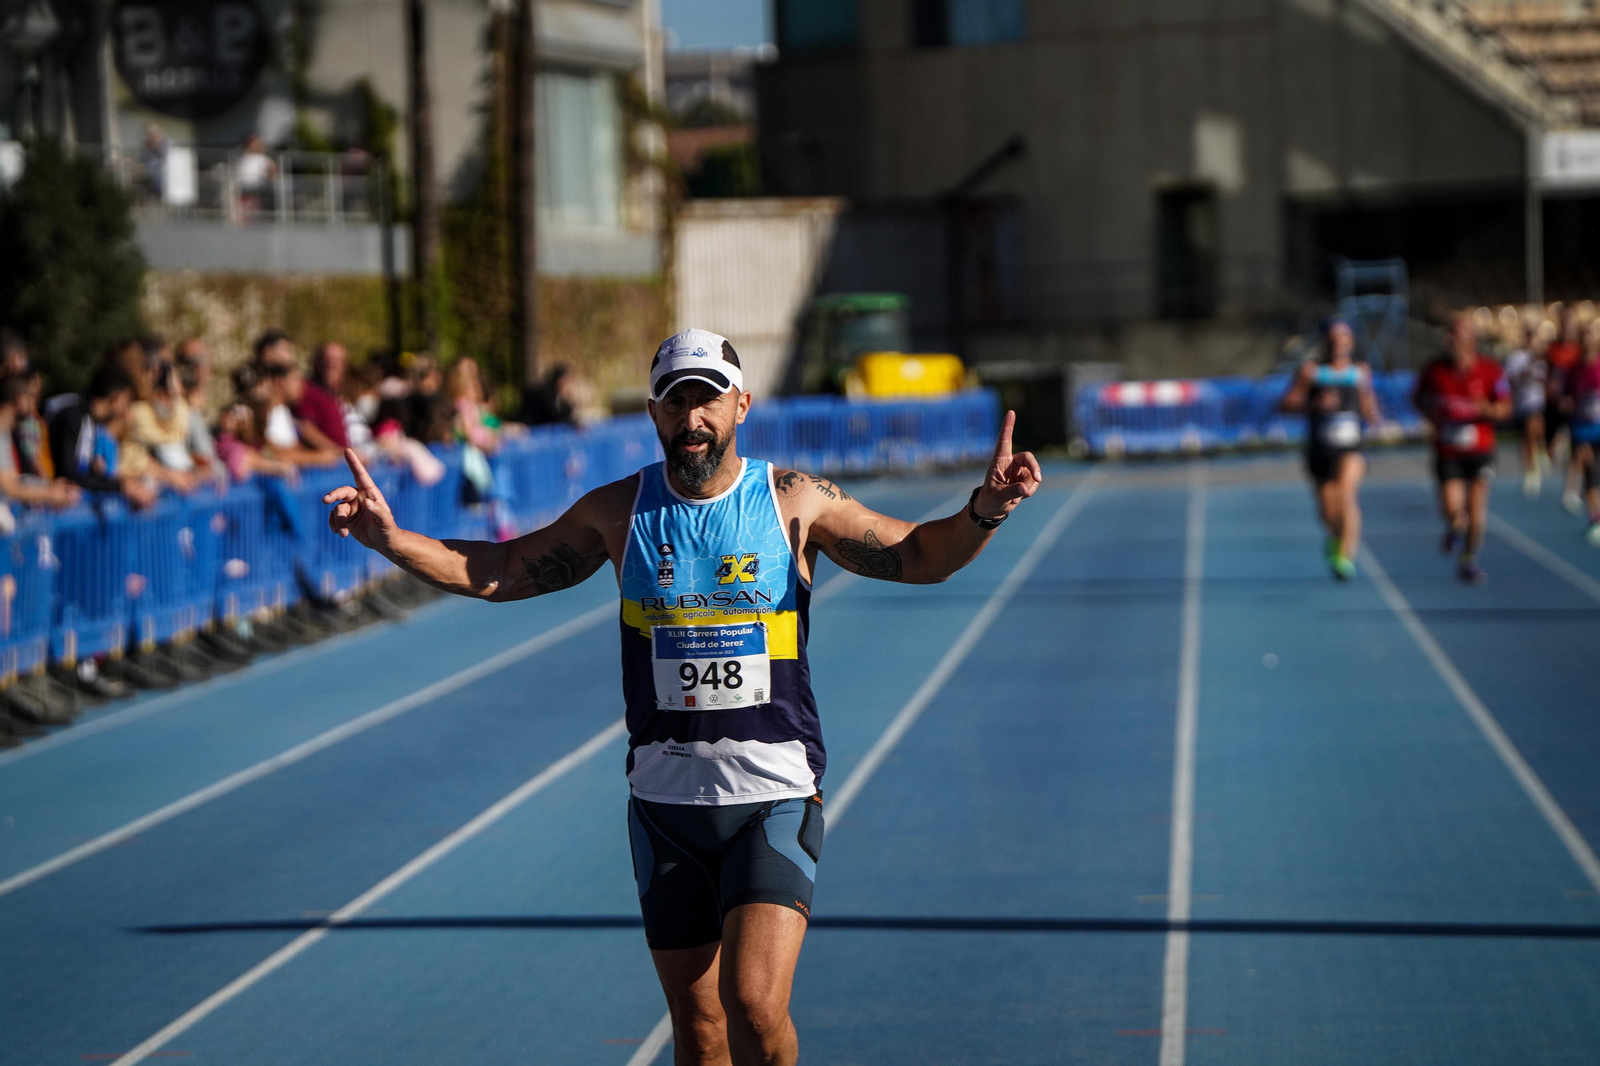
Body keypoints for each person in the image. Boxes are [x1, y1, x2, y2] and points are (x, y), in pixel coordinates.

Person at [322, 328, 1043, 1066]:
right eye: (675, 401)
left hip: (772, 794)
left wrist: (986, 509)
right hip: (665, 810)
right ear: (653, 412)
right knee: (698, 1030)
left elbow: (920, 555)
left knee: (755, 1011)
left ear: (741, 406)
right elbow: (505, 569)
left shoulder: (793, 501)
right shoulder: (619, 511)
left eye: (707, 400)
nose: (691, 418)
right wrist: (391, 540)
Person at [1413, 313, 1512, 584]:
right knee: (1454, 511)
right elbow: (1417, 398)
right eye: (1450, 334)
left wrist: (1487, 409)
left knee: (1477, 506)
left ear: (1472, 339)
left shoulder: (1490, 369)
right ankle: (1455, 528)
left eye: (1458, 334)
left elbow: (1505, 408)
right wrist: (1431, 414)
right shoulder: (1435, 370)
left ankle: (1469, 558)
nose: (1452, 340)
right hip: (1448, 450)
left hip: (1480, 448)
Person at [1280, 317, 1380, 580]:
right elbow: (1286, 404)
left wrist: (1372, 414)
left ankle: (1346, 557)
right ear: (1325, 342)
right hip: (1320, 450)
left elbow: (1369, 404)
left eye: (1344, 337)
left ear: (1351, 341)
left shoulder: (1360, 371)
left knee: (1347, 494)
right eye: (1333, 338)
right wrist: (1314, 404)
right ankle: (1336, 539)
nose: (1339, 343)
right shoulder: (1311, 372)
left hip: (1352, 447)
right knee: (1328, 510)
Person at [45, 364, 158, 509]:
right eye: (127, 400)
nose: (126, 409)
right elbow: (69, 475)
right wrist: (122, 486)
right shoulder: (73, 416)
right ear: (116, 397)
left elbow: (81, 471)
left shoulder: (91, 421)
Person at [0, 374, 78, 511]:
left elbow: (14, 482)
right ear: (20, 400)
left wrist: (49, 488)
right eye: (32, 396)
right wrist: (50, 492)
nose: (35, 403)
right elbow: (10, 489)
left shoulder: (5, 434)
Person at [1562, 325, 1600, 545]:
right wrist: (1566, 402)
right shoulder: (1573, 370)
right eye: (1583, 341)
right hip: (1582, 426)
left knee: (1595, 473)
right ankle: (1595, 515)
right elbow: (1566, 394)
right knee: (1588, 466)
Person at [1504, 319, 1550, 497]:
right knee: (1526, 436)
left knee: (1535, 425)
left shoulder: (1542, 357)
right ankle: (1530, 469)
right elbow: (1511, 382)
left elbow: (1548, 380)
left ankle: (1540, 451)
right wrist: (1527, 369)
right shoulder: (1516, 357)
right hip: (1522, 401)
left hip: (1537, 400)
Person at [1545, 306, 1584, 513]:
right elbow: (1549, 378)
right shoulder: (1552, 350)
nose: (1567, 326)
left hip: (1578, 407)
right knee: (1553, 448)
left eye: (1570, 321)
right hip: (1556, 405)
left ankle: (1571, 489)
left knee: (1578, 450)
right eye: (1564, 321)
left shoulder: (1581, 349)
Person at [297, 342, 351, 449]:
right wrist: (340, 453)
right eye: (327, 360)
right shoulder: (310, 391)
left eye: (338, 361)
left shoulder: (331, 395)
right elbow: (306, 430)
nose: (332, 364)